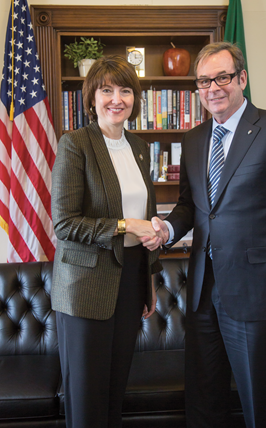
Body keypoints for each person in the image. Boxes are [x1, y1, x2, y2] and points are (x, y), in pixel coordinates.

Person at [142, 42, 266, 427]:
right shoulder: (194, 139)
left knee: (257, 404)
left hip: (256, 294)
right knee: (203, 401)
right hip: (201, 294)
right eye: (203, 81)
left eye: (222, 77)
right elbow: (189, 206)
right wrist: (167, 228)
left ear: (241, 79)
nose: (212, 88)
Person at [51, 55, 162, 428]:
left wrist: (149, 279)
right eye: (107, 90)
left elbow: (147, 217)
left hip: (131, 279)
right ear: (92, 98)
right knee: (87, 399)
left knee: (116, 390)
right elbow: (65, 224)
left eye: (126, 90)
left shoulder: (140, 147)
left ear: (135, 98)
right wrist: (123, 225)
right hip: (85, 285)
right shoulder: (75, 144)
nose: (117, 99)